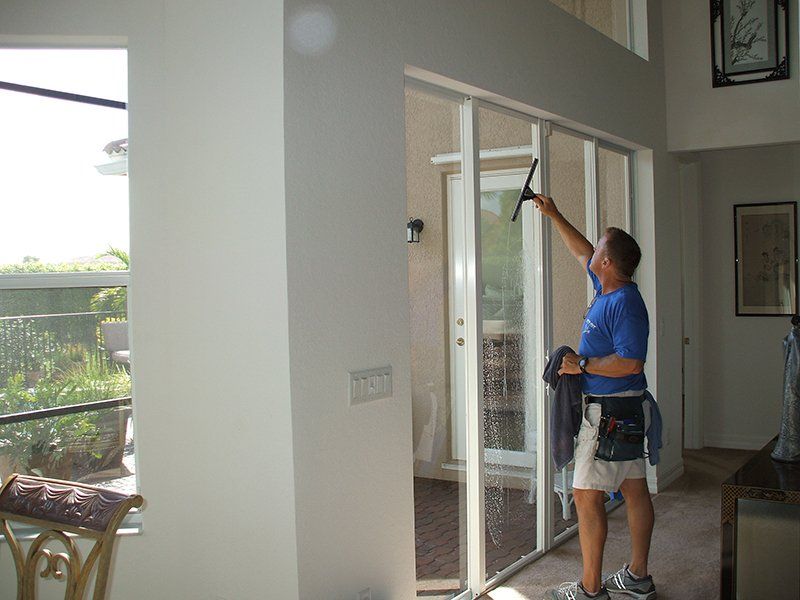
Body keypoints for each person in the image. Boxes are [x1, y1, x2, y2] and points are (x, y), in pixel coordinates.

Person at [534, 194, 657, 600]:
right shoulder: (607, 287)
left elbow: (631, 362)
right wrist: (555, 214)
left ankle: (590, 589)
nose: (593, 252)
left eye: (600, 248)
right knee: (635, 488)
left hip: (609, 414)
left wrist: (581, 366)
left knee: (586, 497)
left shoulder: (624, 304)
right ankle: (637, 577)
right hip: (624, 410)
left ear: (608, 263)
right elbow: (582, 250)